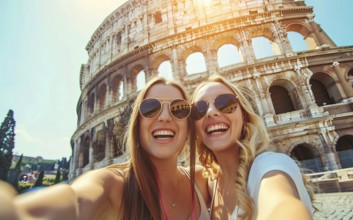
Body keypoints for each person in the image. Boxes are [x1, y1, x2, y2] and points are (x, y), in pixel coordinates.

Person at [0, 76, 210, 220]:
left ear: (189, 126)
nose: (164, 116)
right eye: (150, 108)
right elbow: (76, 199)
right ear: (137, 126)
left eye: (178, 109)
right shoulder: (113, 185)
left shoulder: (203, 180)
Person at [190, 74, 313, 220]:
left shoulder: (271, 165)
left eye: (225, 103)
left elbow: (280, 204)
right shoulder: (209, 182)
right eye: (199, 109)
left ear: (244, 116)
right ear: (194, 126)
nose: (211, 112)